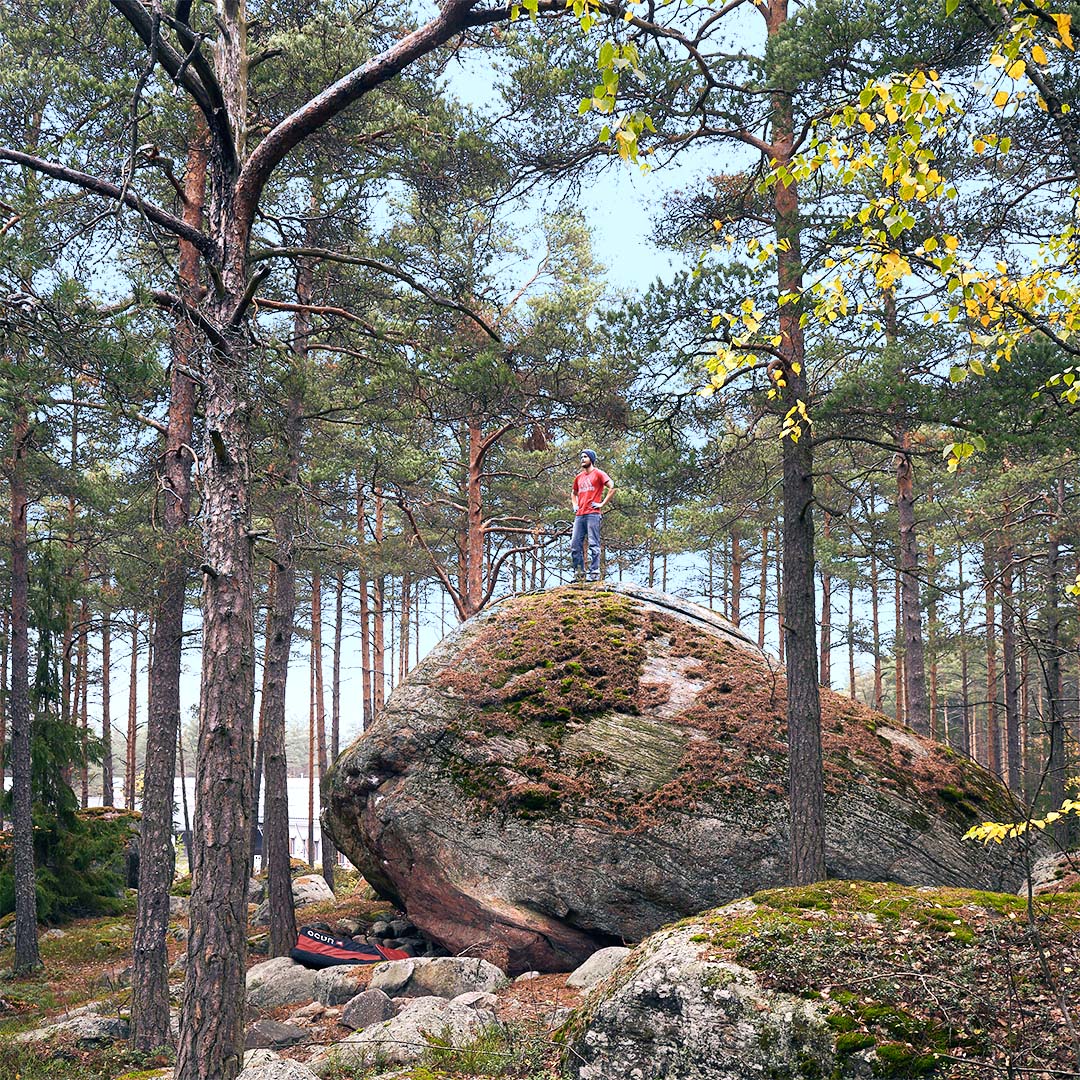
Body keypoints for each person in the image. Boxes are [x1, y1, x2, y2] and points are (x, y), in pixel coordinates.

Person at [571, 449, 614, 582]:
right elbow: (574, 493)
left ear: (591, 459)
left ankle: (594, 574)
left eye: (585, 457)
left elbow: (612, 487)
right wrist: (575, 505)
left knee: (594, 544)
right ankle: (579, 574)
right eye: (581, 457)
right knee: (575, 544)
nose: (582, 459)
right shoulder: (579, 477)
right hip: (580, 515)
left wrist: (602, 504)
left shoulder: (599, 474)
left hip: (593, 514)